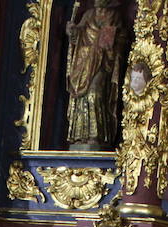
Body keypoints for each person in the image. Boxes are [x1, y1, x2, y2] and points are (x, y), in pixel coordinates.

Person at [65, 0, 126, 150]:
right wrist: (73, 32)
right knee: (81, 98)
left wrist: (111, 39)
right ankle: (79, 136)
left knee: (95, 94)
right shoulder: (88, 15)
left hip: (102, 62)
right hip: (83, 62)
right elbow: (77, 37)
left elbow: (122, 39)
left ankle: (97, 135)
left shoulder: (114, 16)